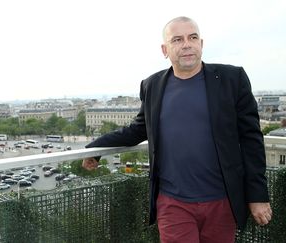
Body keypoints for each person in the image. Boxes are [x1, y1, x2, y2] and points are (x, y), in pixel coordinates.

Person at [82, 16, 272, 243]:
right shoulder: (152, 85)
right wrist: (95, 148)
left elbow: (251, 139)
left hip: (223, 201)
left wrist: (258, 196)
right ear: (165, 49)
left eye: (192, 37)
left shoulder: (232, 79)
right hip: (173, 203)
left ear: (201, 44)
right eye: (177, 39)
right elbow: (138, 130)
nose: (187, 44)